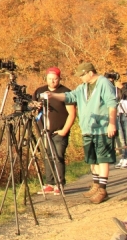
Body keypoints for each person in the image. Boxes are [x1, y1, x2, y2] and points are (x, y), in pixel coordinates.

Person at [43, 62, 117, 204]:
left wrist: (112, 123)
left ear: (90, 73)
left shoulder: (104, 83)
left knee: (103, 159)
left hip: (101, 127)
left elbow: (111, 103)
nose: (81, 78)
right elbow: (69, 96)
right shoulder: (82, 87)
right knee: (92, 159)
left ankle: (103, 188)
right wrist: (52, 95)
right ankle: (96, 184)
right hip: (88, 128)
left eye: (82, 75)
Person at [33, 67, 76, 195]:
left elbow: (72, 113)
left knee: (58, 156)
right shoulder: (39, 91)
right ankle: (50, 183)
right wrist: (35, 106)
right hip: (44, 130)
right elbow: (32, 107)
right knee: (47, 156)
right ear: (46, 78)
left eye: (55, 79)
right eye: (50, 79)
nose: (52, 81)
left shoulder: (66, 92)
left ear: (59, 78)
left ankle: (59, 183)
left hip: (59, 131)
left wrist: (64, 130)